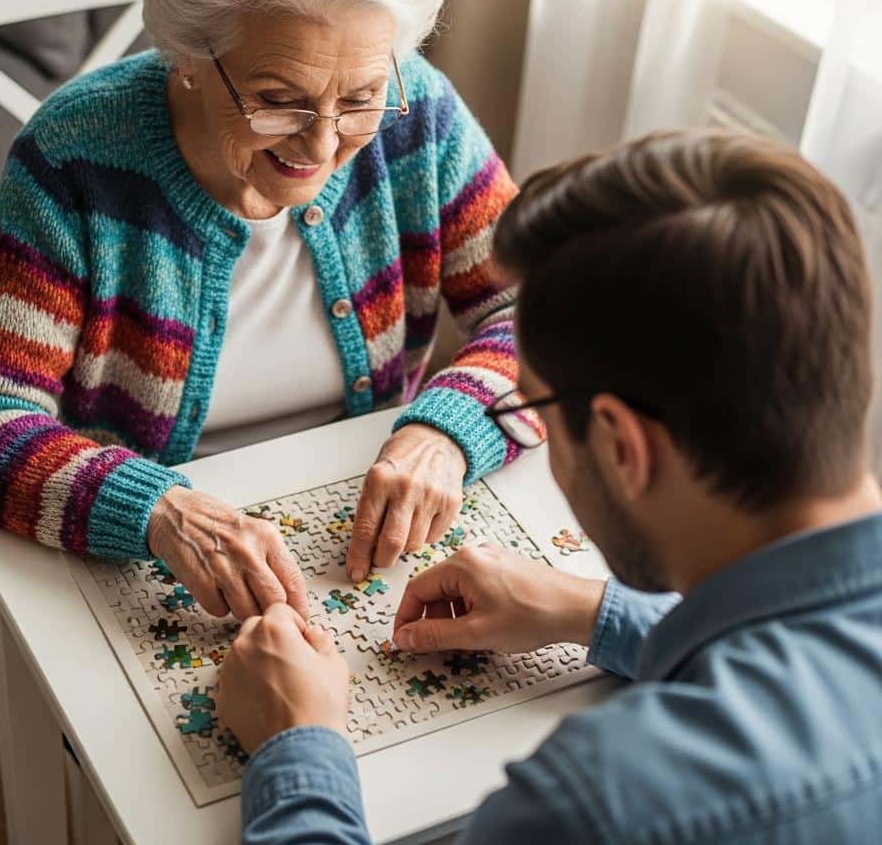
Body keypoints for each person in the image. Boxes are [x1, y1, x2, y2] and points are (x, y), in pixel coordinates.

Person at [0, 0, 526, 620]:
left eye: (363, 96)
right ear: (191, 56)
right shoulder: (78, 159)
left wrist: (449, 431)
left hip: (362, 527)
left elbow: (548, 318)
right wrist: (155, 510)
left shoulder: (421, 116)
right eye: (280, 100)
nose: (321, 146)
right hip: (137, 549)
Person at [218, 129, 882, 843]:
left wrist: (298, 743)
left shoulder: (596, 803)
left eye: (530, 405)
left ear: (623, 446)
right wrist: (597, 612)